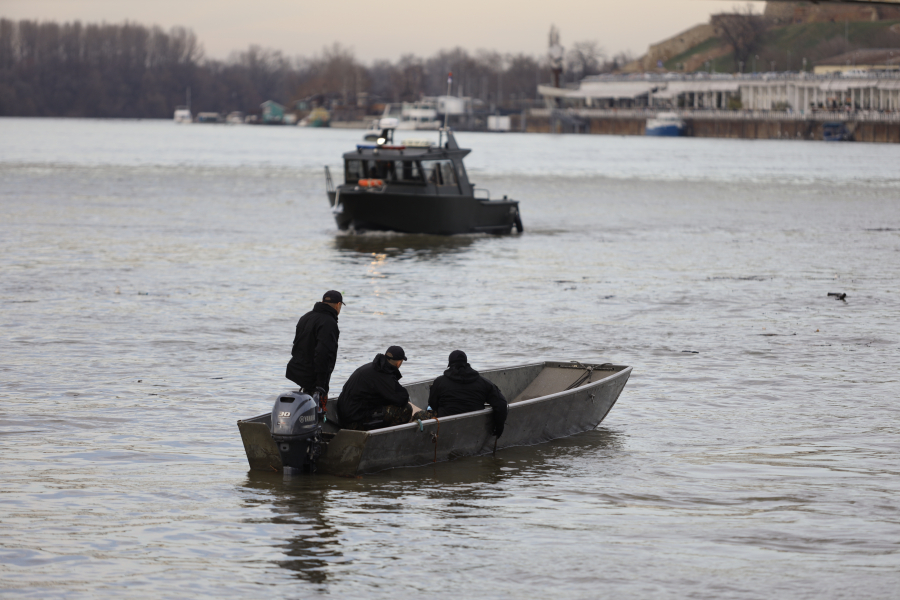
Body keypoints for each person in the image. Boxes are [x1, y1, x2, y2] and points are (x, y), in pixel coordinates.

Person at [421, 350, 508, 438]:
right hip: (475, 424)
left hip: (445, 424)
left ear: (449, 364)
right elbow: (501, 404)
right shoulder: (484, 382)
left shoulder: (439, 382)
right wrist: (499, 427)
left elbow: (432, 404)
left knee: (419, 415)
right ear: (466, 363)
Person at [285, 290, 344, 408]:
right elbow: (324, 354)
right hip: (314, 378)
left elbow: (296, 346)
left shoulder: (306, 317)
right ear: (338, 305)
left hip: (298, 372)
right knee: (317, 410)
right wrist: (321, 385)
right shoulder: (329, 323)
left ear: (322, 302)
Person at [336, 346, 414, 430]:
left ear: (384, 355)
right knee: (406, 409)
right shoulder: (384, 375)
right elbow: (402, 398)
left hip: (344, 416)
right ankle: (386, 436)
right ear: (399, 363)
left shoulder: (372, 367)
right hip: (355, 422)